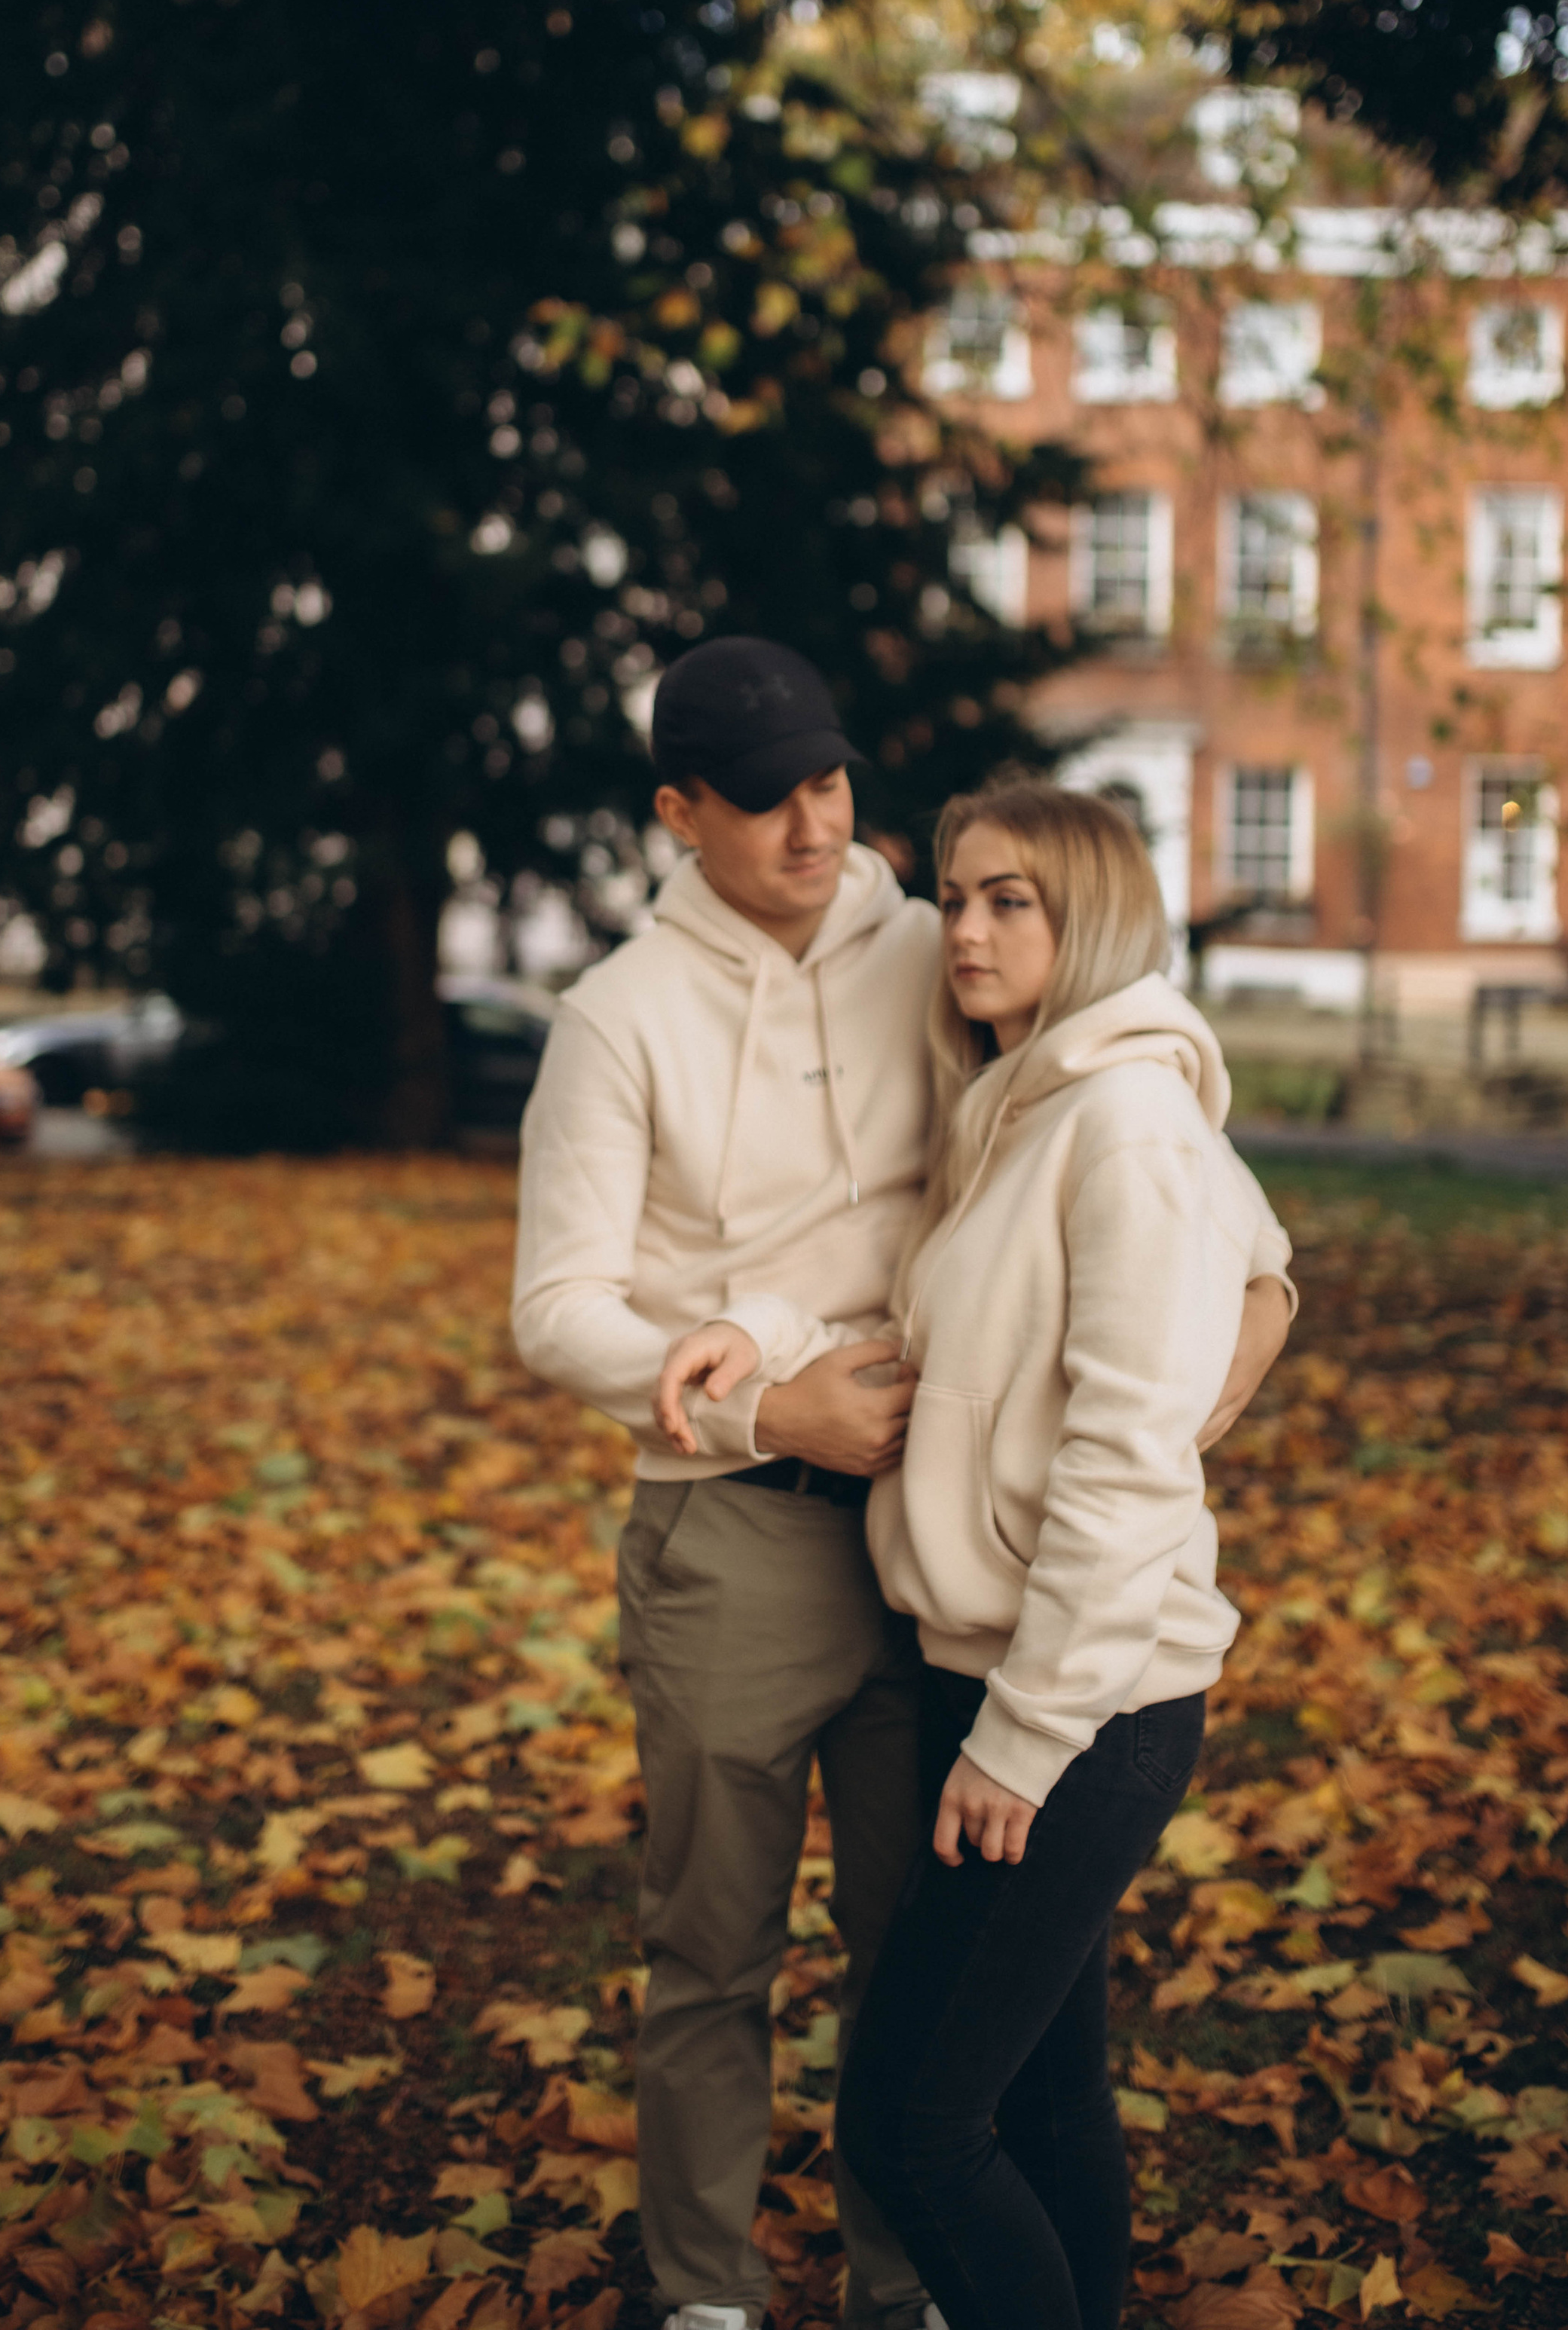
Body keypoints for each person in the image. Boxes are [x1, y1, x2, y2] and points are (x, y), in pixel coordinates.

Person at [512, 644, 1294, 2330]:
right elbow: (556, 1309)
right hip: (736, 1530)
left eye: (828, 784)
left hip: (952, 1561)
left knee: (918, 1975)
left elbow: (1124, 1157)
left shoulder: (934, 944)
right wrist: (765, 1405)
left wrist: (1257, 1302)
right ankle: (706, 2294)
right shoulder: (617, 1016)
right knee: (712, 1954)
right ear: (678, 813)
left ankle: (904, 2289)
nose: (812, 828)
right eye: (762, 797)